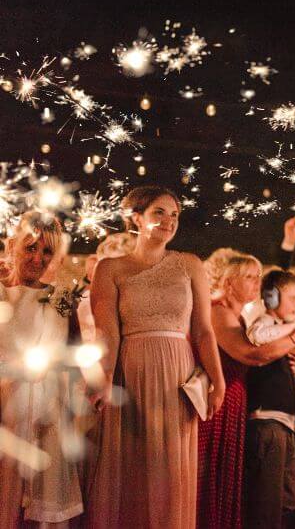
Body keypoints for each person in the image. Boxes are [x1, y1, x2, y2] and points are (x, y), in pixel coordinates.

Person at [88, 186, 226, 529]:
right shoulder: (110, 268)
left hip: (177, 376)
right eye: (159, 213)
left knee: (171, 467)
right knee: (131, 465)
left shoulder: (190, 264)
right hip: (130, 373)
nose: (169, 221)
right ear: (136, 218)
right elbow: (106, 334)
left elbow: (205, 331)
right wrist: (104, 380)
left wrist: (218, 381)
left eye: (174, 214)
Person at [197, 253, 295, 529]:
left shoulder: (241, 318)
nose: (258, 283)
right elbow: (250, 355)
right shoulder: (218, 309)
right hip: (220, 405)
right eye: (249, 276)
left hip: (236, 405)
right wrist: (294, 336)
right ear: (229, 282)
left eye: (259, 276)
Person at [0, 213, 83, 527]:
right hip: (5, 405)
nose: (37, 257)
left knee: (42, 495)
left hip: (48, 408)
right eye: (30, 247)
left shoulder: (61, 299)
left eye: (47, 251)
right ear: (14, 246)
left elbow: (75, 350)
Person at [244, 270, 295, 529]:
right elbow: (258, 337)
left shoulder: (282, 331)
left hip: (286, 424)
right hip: (267, 422)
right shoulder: (264, 322)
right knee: (266, 504)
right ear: (272, 296)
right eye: (292, 298)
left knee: (287, 500)